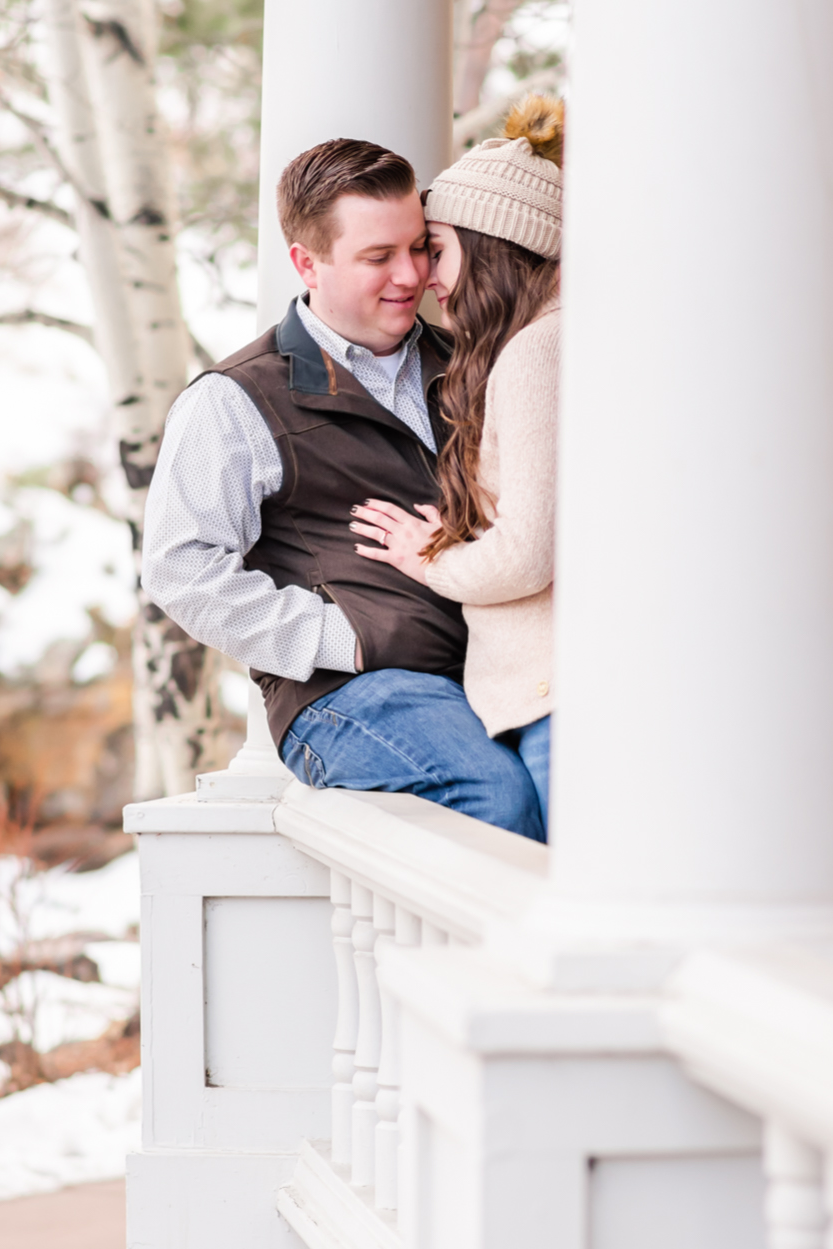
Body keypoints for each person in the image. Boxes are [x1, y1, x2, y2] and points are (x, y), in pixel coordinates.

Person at [141, 136, 545, 841]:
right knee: (494, 797)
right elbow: (182, 569)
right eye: (378, 257)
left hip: (483, 667)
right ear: (308, 261)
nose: (411, 274)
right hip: (351, 693)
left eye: (420, 248)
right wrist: (343, 639)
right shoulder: (237, 400)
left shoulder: (471, 362)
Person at [349, 96, 562, 829]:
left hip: (557, 699)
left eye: (434, 248)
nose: (421, 274)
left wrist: (429, 560)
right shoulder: (559, 341)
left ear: (494, 241)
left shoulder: (537, 352)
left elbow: (529, 556)